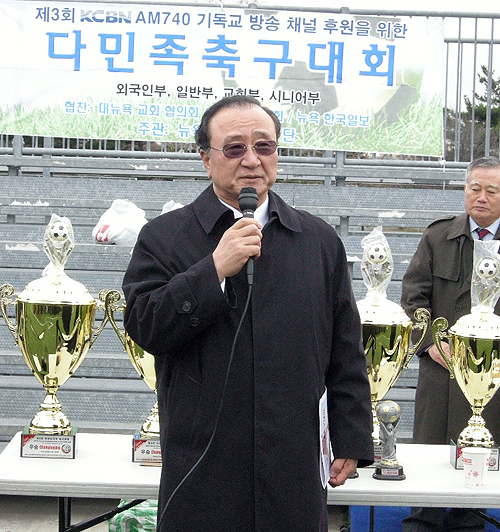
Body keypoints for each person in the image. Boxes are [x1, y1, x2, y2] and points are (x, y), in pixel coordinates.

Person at [122, 95, 374, 532]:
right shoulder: (164, 237)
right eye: (235, 148)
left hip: (292, 466)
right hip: (203, 465)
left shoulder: (317, 241)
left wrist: (350, 437)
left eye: (264, 146)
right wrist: (213, 270)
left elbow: (345, 350)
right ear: (206, 159)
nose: (252, 160)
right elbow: (145, 324)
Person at [401, 156, 500, 532]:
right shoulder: (437, 237)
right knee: (429, 451)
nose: (481, 197)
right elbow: (413, 297)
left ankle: (470, 518)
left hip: (491, 375)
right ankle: (422, 517)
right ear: (465, 190)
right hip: (440, 371)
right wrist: (429, 344)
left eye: (492, 190)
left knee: (478, 461)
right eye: (475, 188)